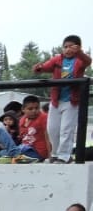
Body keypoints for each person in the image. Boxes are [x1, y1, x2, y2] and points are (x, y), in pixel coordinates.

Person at [33, 35, 91, 163]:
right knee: (52, 129)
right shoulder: (57, 59)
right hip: (56, 100)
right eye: (65, 47)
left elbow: (88, 61)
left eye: (71, 47)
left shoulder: (79, 60)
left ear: (78, 48)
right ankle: (55, 153)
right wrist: (39, 68)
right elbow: (46, 67)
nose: (67, 49)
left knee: (66, 130)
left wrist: (80, 53)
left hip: (71, 101)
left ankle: (64, 156)